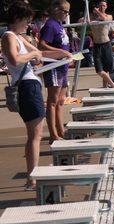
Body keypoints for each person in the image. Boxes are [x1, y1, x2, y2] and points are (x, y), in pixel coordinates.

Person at [1, 1, 69, 190]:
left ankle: (33, 174)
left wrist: (61, 53)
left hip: (31, 85)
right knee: (35, 135)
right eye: (27, 21)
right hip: (26, 87)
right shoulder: (8, 37)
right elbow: (14, 60)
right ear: (18, 19)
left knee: (35, 135)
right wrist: (32, 56)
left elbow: (39, 52)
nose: (29, 25)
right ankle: (32, 177)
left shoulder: (18, 36)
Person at [38, 0, 73, 144]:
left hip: (62, 67)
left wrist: (69, 54)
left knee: (60, 102)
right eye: (65, 11)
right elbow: (41, 45)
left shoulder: (59, 25)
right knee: (52, 102)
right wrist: (61, 51)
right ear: (56, 9)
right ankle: (53, 134)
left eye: (68, 12)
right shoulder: (50, 25)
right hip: (53, 67)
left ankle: (61, 130)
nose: (67, 14)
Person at [90, 0, 114, 88]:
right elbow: (82, 20)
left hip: (106, 44)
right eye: (100, 6)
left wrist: (97, 11)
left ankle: (105, 87)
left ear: (106, 7)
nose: (102, 7)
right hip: (97, 45)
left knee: (106, 68)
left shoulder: (109, 16)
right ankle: (113, 84)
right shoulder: (92, 17)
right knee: (99, 70)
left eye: (104, 6)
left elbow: (104, 19)